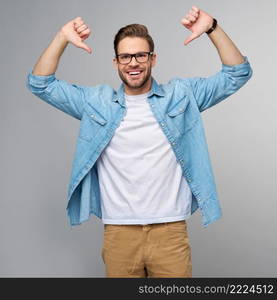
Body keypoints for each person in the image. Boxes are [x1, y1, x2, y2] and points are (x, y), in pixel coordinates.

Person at [26, 5, 253, 278]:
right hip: (119, 233)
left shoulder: (181, 96)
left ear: (153, 59)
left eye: (140, 55)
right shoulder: (96, 103)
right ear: (116, 62)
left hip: (170, 231)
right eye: (125, 57)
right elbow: (41, 84)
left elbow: (237, 73)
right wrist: (62, 37)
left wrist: (212, 28)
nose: (133, 62)